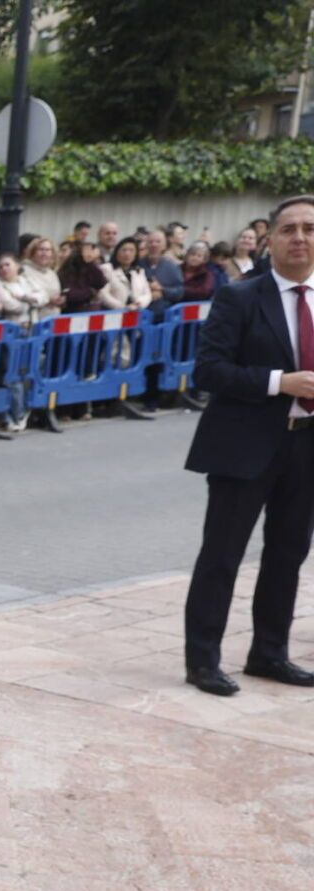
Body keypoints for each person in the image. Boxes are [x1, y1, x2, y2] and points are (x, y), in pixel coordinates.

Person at [181, 195, 314, 697]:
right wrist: (281, 382)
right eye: (288, 229)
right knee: (222, 553)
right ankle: (203, 661)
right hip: (244, 445)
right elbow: (210, 371)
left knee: (288, 552)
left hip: (307, 447)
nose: (300, 237)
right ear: (270, 240)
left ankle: (269, 653)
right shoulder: (239, 297)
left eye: (309, 228)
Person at [58, 239, 114, 314]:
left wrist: (89, 263)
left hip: (90, 312)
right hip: (71, 312)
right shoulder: (65, 272)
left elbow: (101, 283)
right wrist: (90, 292)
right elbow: (71, 294)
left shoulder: (89, 268)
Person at [141, 229, 183, 312]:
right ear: (146, 245)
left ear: (164, 245)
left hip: (164, 316)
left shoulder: (172, 267)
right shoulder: (138, 265)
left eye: (158, 242)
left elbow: (179, 292)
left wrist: (162, 290)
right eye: (151, 242)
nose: (154, 245)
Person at [107, 236, 151, 310]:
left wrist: (139, 304)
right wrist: (123, 307)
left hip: (135, 312)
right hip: (114, 312)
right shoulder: (107, 269)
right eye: (124, 250)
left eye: (131, 250)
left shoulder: (139, 271)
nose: (127, 254)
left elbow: (147, 294)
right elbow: (103, 295)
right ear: (116, 252)